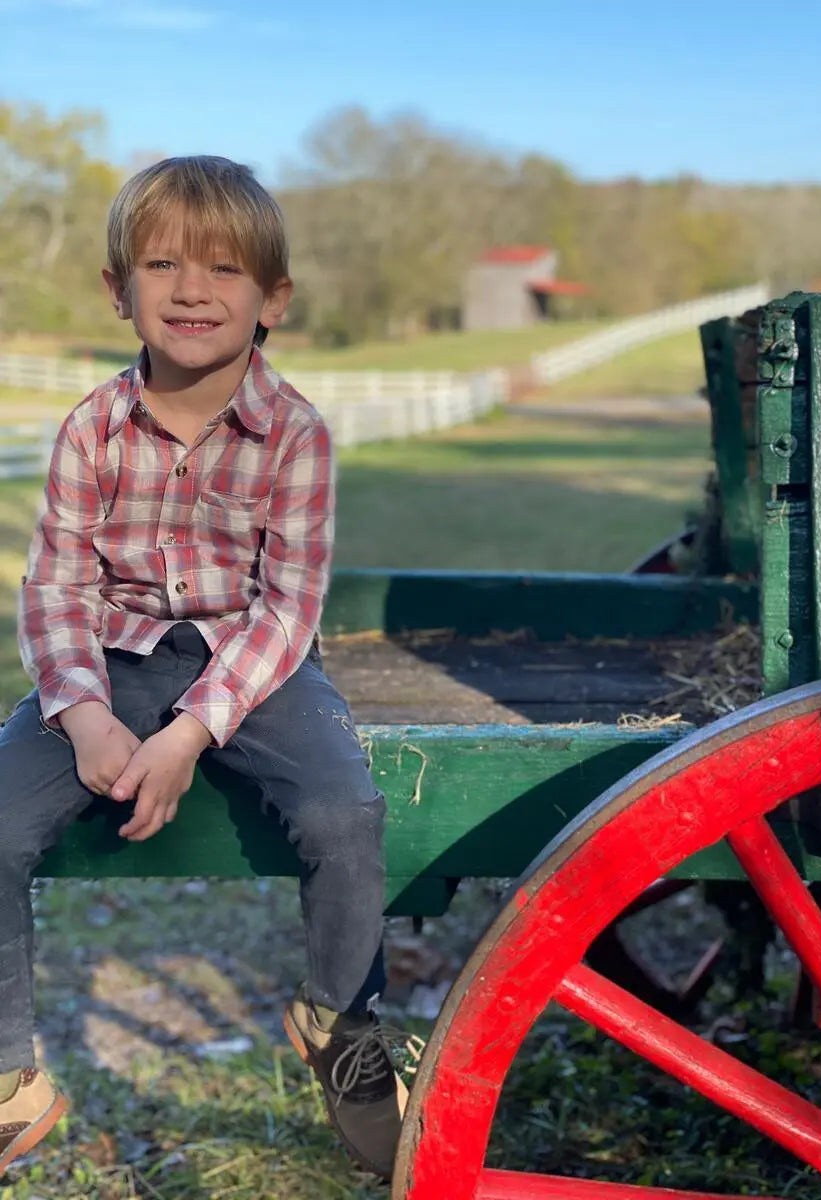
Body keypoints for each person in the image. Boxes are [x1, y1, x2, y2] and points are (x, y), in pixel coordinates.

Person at [0, 155, 410, 1182]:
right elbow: (54, 590)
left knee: (342, 813)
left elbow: (287, 608)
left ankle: (341, 1021)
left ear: (273, 297)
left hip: (254, 664)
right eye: (164, 264)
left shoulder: (297, 435)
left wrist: (191, 731)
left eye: (226, 269)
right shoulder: (90, 428)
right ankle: (11, 1078)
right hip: (108, 656)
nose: (192, 289)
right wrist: (88, 718)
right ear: (118, 289)